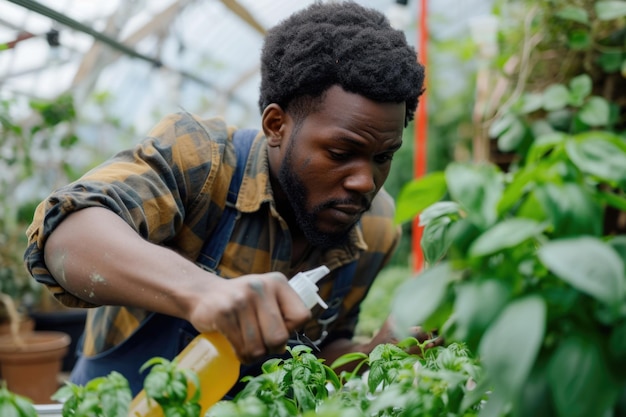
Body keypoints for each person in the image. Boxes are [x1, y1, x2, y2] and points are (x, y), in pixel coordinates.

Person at [24, 0, 428, 396]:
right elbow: (67, 234)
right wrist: (203, 292)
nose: (364, 181)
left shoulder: (374, 228)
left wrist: (375, 353)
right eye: (340, 154)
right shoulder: (203, 160)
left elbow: (325, 348)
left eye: (383, 157)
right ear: (276, 125)